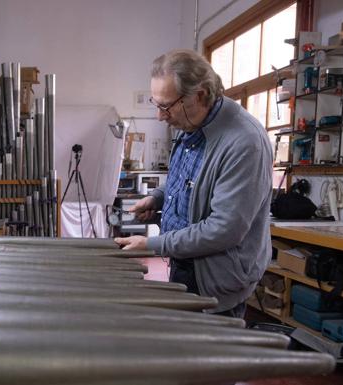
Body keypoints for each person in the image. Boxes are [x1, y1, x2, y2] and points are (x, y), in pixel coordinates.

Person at [114, 49, 272, 318]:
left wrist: (153, 245)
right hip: (185, 263)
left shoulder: (245, 142)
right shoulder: (191, 126)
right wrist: (159, 197)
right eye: (156, 104)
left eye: (166, 106)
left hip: (217, 278)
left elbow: (224, 230)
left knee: (211, 353)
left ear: (199, 95)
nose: (160, 116)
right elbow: (185, 179)